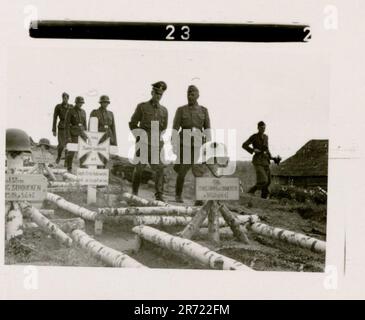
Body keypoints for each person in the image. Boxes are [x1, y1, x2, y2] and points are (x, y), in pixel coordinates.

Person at [129, 81, 168, 201]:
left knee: (160, 169)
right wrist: (139, 136)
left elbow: (164, 127)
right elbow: (133, 123)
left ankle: (159, 195)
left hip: (156, 145)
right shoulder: (142, 107)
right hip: (143, 144)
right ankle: (134, 193)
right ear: (152, 92)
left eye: (160, 94)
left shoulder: (164, 111)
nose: (158, 96)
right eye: (156, 93)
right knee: (139, 168)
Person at [172, 85, 211, 204]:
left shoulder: (204, 110)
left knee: (198, 171)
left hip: (198, 144)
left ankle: (199, 199)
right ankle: (178, 196)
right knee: (182, 170)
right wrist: (174, 144)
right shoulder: (181, 110)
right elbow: (175, 128)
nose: (190, 96)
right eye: (188, 94)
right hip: (184, 143)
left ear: (198, 95)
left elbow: (208, 129)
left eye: (192, 94)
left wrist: (208, 146)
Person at [242, 121, 280, 199]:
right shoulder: (254, 137)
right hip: (258, 161)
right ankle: (251, 191)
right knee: (263, 180)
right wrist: (253, 150)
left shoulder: (266, 137)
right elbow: (244, 145)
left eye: (264, 128)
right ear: (258, 128)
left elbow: (267, 149)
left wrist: (273, 158)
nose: (263, 129)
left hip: (265, 161)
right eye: (261, 128)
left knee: (268, 181)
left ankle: (263, 198)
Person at [65, 96, 87, 173]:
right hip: (73, 135)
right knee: (71, 152)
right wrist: (68, 136)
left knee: (83, 152)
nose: (80, 104)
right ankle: (69, 168)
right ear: (76, 103)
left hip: (82, 134)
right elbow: (67, 125)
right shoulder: (70, 111)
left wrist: (86, 134)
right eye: (79, 103)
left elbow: (85, 124)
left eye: (81, 103)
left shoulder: (83, 112)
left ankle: (83, 168)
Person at [52, 92, 73, 164]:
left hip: (68, 129)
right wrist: (54, 130)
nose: (65, 99)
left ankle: (66, 161)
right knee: (61, 145)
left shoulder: (71, 107)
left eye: (67, 98)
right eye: (64, 98)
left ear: (68, 99)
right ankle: (59, 156)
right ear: (62, 98)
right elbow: (55, 118)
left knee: (68, 145)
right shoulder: (58, 107)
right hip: (61, 127)